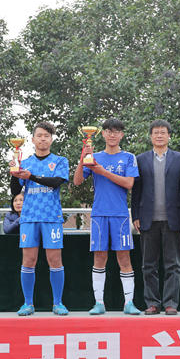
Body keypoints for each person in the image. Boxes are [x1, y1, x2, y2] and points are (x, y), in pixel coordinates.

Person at [73, 118, 142, 315]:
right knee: (99, 257)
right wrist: (83, 158)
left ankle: (129, 303)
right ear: (102, 134)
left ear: (122, 135)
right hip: (99, 214)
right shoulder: (94, 157)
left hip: (120, 215)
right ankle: (98, 303)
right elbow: (77, 181)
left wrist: (102, 172)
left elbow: (129, 183)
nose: (112, 135)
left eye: (116, 131)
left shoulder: (128, 157)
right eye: (109, 131)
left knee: (124, 258)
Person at [131, 119, 180, 315]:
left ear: (169, 136)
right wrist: (136, 215)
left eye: (163, 132)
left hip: (174, 217)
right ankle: (152, 303)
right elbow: (136, 190)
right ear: (150, 136)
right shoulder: (140, 159)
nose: (159, 135)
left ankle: (171, 303)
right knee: (148, 264)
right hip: (147, 218)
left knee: (173, 264)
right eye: (155, 132)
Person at [10, 122, 69, 316]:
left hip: (51, 216)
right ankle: (28, 303)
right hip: (29, 217)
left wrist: (31, 177)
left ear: (51, 139)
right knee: (29, 259)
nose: (43, 139)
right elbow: (15, 190)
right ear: (33, 139)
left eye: (47, 136)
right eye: (39, 135)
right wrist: (14, 173)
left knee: (55, 259)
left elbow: (56, 182)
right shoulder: (26, 162)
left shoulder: (60, 161)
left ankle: (58, 303)